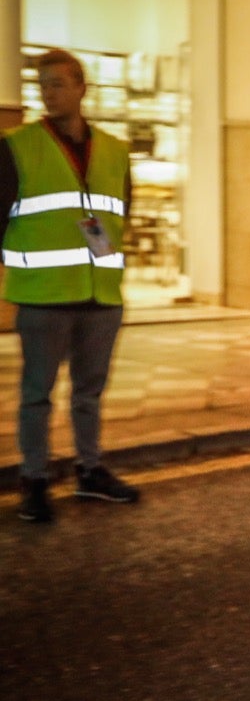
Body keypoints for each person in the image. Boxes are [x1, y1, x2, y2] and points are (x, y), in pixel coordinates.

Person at [2, 49, 143, 522]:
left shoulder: (115, 150)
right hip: (44, 294)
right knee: (37, 394)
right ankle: (35, 480)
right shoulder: (17, 145)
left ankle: (89, 470)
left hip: (101, 295)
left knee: (89, 392)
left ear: (82, 88)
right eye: (42, 85)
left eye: (58, 83)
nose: (49, 92)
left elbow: (123, 213)